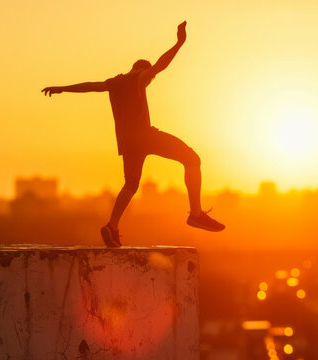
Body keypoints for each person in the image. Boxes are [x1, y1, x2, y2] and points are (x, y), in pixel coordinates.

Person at [42, 21, 225, 247]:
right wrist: (179, 43)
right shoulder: (137, 78)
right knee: (193, 159)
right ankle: (195, 214)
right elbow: (160, 65)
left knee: (130, 185)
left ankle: (112, 226)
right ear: (141, 71)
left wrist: (63, 88)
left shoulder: (114, 83)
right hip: (146, 137)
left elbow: (90, 85)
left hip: (128, 143)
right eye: (149, 79)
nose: (148, 83)